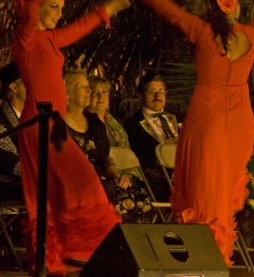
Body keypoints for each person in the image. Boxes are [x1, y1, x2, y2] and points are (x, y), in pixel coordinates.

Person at [111, 0, 254, 265]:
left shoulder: (202, 32)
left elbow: (167, 9)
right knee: (221, 195)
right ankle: (215, 255)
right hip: (240, 123)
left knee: (204, 194)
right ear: (234, 8)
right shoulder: (251, 35)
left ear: (212, 10)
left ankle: (204, 257)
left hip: (209, 119)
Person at [11, 0, 129, 277]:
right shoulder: (27, 39)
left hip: (55, 126)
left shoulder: (50, 40)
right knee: (84, 182)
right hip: (39, 124)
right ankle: (80, 251)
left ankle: (55, 259)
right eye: (54, 7)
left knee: (55, 196)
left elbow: (80, 27)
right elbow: (31, 7)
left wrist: (113, 6)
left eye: (61, 8)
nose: (59, 14)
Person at [65, 71, 154, 223]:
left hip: (103, 178)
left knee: (140, 196)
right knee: (121, 199)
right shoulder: (58, 123)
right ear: (67, 93)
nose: (89, 92)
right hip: (77, 184)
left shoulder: (95, 123)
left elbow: (105, 159)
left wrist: (116, 176)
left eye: (89, 87)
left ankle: (135, 243)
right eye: (84, 87)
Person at [123, 72, 179, 201]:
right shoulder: (133, 125)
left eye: (161, 91)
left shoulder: (174, 120)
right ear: (140, 96)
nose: (157, 96)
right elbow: (141, 161)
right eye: (152, 91)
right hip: (158, 182)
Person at [0, 62, 25, 179]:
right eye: (28, 81)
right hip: (9, 192)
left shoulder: (35, 117)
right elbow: (15, 165)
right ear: (14, 87)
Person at [87, 75, 130, 148]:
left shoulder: (113, 123)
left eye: (104, 92)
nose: (100, 96)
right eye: (95, 92)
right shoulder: (84, 122)